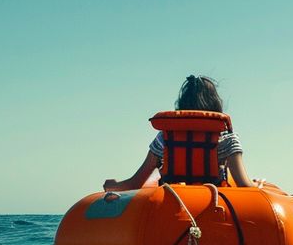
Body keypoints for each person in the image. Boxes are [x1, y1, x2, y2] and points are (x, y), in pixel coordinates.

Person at [104, 75, 256, 191]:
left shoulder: (165, 137)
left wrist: (113, 185)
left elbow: (135, 183)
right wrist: (260, 187)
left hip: (172, 207)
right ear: (215, 105)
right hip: (213, 207)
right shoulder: (227, 139)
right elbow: (244, 186)